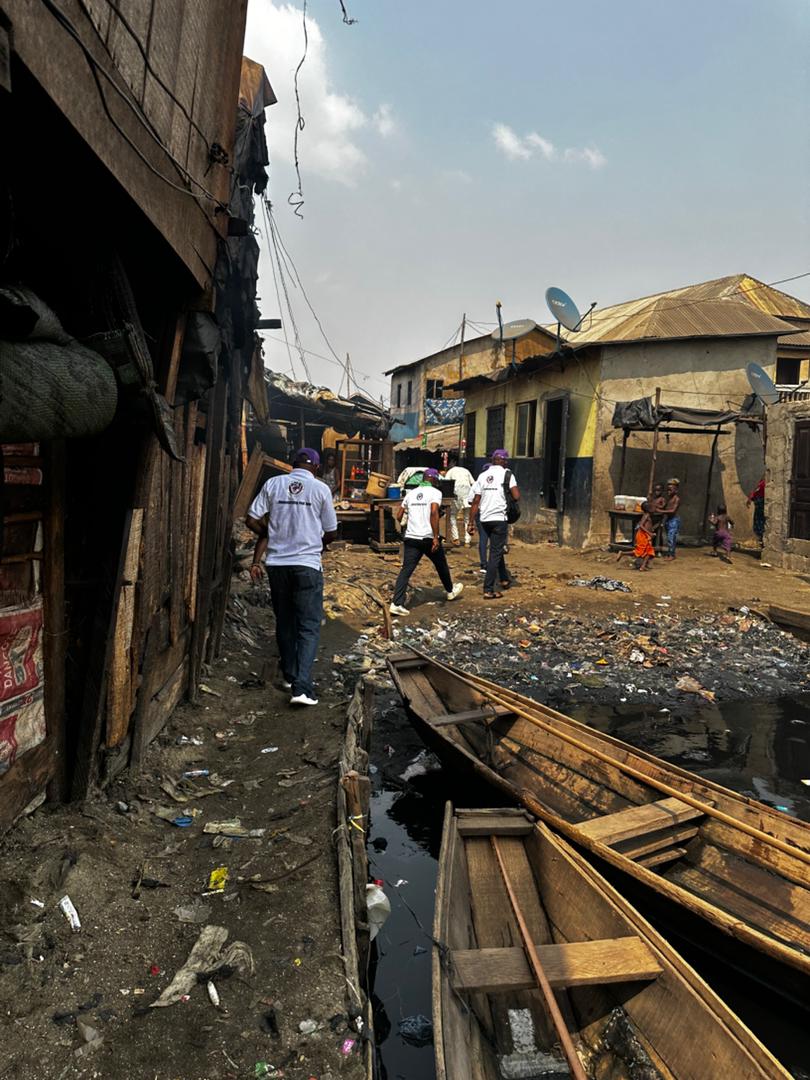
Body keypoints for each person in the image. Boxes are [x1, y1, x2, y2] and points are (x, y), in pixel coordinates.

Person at [246, 448, 337, 707]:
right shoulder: (320, 489)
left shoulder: (274, 484)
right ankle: (302, 688)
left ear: (292, 464)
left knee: (285, 621)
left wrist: (269, 534)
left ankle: (289, 675)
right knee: (308, 626)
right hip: (307, 565)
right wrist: (318, 544)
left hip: (277, 565)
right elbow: (331, 531)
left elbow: (250, 519)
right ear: (316, 467)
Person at [389, 468, 464, 616]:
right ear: (434, 480)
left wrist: (409, 524)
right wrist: (436, 537)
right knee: (441, 564)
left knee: (406, 570)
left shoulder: (411, 493)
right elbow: (434, 512)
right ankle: (450, 591)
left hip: (411, 538)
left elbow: (399, 515)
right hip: (427, 537)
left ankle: (396, 603)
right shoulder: (435, 493)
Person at [468, 449, 520, 599]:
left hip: (484, 519)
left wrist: (470, 522)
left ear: (492, 461)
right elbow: (516, 496)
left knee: (496, 549)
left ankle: (504, 579)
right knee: (495, 554)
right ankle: (488, 589)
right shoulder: (507, 474)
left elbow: (475, 501)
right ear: (504, 461)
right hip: (499, 519)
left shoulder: (483, 476)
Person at [444, 457, 475, 545]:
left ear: (453, 463)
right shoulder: (466, 470)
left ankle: (456, 538)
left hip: (456, 494)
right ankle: (467, 541)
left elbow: (446, 484)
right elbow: (473, 483)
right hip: (467, 494)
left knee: (452, 516)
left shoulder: (450, 471)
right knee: (467, 518)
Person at [617, 501, 654, 571]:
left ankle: (643, 566)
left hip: (645, 535)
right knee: (641, 551)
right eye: (651, 507)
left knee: (648, 551)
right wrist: (649, 533)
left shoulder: (647, 515)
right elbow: (641, 525)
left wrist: (651, 531)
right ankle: (623, 553)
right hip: (643, 535)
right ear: (648, 509)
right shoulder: (646, 515)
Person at [664, 478, 681, 559]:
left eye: (670, 490)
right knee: (669, 537)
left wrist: (661, 511)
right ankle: (670, 552)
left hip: (674, 520)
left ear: (676, 490)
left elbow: (673, 510)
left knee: (671, 538)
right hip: (668, 520)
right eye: (668, 490)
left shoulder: (677, 499)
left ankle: (671, 555)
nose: (668, 492)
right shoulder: (669, 499)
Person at [747, 477, 766, 547]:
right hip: (760, 504)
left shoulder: (763, 484)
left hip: (760, 505)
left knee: (760, 521)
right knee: (760, 521)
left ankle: (762, 539)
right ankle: (761, 540)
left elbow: (756, 491)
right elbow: (756, 491)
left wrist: (750, 498)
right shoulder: (762, 483)